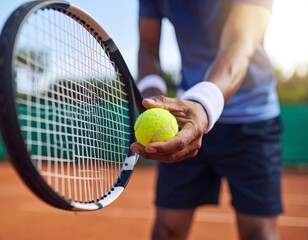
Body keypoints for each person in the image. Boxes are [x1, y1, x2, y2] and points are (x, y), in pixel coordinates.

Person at [130, 0, 283, 239]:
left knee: (259, 233)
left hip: (252, 119)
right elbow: (148, 47)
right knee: (166, 232)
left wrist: (204, 104)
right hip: (184, 119)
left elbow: (240, 43)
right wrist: (153, 100)